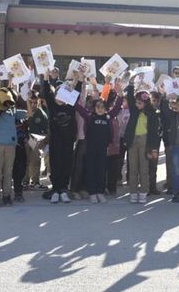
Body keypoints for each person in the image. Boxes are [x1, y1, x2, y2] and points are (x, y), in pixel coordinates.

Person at [75, 75, 123, 203]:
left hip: (103, 148)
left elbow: (117, 107)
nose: (100, 109)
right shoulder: (90, 116)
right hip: (91, 148)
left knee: (101, 170)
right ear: (95, 108)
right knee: (91, 169)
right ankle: (92, 192)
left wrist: (120, 94)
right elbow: (79, 107)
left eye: (102, 107)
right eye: (98, 107)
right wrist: (72, 94)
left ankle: (100, 191)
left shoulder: (108, 116)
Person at [0, 81, 26, 207]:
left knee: (8, 172)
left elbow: (28, 114)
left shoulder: (13, 110)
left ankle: (7, 196)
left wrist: (28, 99)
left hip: (10, 144)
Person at [42, 70, 77, 204]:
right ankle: (56, 190)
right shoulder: (52, 105)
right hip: (55, 141)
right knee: (55, 165)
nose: (61, 97)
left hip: (68, 141)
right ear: (56, 94)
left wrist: (78, 79)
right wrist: (46, 76)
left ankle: (63, 190)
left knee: (66, 165)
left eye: (64, 94)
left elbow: (77, 90)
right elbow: (46, 91)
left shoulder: (71, 106)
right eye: (59, 94)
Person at [124, 82, 160, 204]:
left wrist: (154, 148)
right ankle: (133, 192)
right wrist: (131, 84)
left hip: (145, 141)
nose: (136, 104)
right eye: (136, 102)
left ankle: (144, 192)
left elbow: (155, 132)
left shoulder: (152, 114)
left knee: (144, 168)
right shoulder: (134, 111)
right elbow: (129, 98)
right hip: (133, 140)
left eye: (139, 103)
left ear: (145, 103)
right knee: (133, 167)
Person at [24, 91, 48, 190]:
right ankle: (25, 181)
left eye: (35, 103)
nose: (33, 105)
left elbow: (45, 129)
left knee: (35, 161)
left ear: (38, 102)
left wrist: (42, 141)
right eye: (31, 102)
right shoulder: (26, 110)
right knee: (26, 161)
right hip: (27, 139)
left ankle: (35, 181)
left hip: (36, 139)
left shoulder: (41, 113)